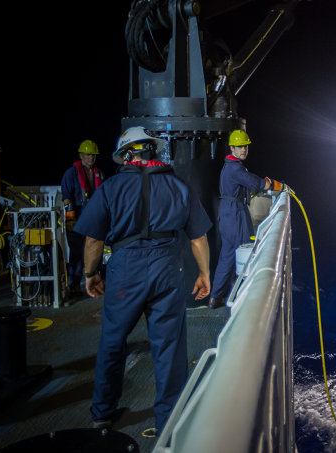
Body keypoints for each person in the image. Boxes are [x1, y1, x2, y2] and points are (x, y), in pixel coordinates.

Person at [74, 126, 212, 435]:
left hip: (125, 272)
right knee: (169, 346)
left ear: (126, 155)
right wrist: (204, 274)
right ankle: (169, 419)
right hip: (167, 270)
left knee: (112, 341)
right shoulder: (179, 186)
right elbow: (199, 239)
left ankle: (103, 413)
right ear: (152, 151)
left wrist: (90, 274)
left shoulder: (110, 188)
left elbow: (94, 242)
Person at [209, 129, 284, 309]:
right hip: (236, 213)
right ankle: (242, 296)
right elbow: (258, 183)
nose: (244, 149)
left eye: (246, 146)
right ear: (232, 148)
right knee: (246, 252)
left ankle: (216, 297)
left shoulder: (228, 166)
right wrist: (279, 186)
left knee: (227, 254)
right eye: (240, 146)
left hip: (227, 211)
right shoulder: (235, 169)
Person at [60, 139, 105, 295]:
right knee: (77, 253)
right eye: (88, 155)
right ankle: (73, 285)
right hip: (78, 219)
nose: (91, 158)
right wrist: (71, 219)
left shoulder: (99, 173)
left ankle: (94, 281)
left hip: (94, 219)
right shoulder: (71, 174)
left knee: (95, 252)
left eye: (93, 155)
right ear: (81, 155)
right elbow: (67, 198)